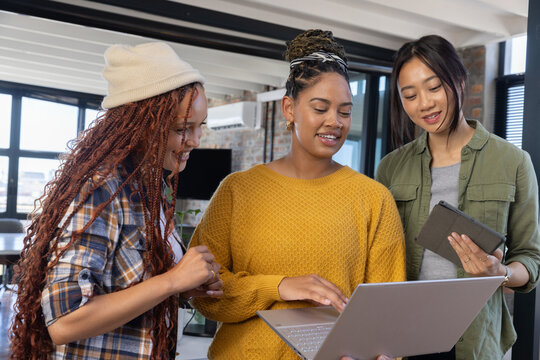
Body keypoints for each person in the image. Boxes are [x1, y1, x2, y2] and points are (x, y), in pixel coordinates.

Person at [189, 29, 406, 360]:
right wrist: (279, 286)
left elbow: (386, 315)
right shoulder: (236, 191)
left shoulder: (374, 199)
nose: (335, 122)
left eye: (345, 112)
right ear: (288, 108)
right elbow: (203, 293)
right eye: (320, 108)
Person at [10, 42, 223, 359]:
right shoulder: (101, 190)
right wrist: (171, 281)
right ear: (141, 124)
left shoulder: (149, 191)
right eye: (182, 128)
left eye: (199, 126)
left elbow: (127, 288)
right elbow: (65, 319)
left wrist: (182, 286)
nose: (195, 140)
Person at [376, 35, 540, 360]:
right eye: (410, 95)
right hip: (404, 337)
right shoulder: (390, 168)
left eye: (434, 87)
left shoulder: (513, 162)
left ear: (460, 80)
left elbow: (530, 259)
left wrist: (501, 272)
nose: (424, 103)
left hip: (477, 342)